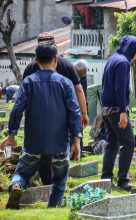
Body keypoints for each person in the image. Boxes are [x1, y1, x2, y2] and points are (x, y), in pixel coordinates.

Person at [1, 43, 81, 209]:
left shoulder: (29, 82)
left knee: (22, 173)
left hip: (33, 144)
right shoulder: (65, 83)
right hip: (59, 144)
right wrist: (76, 140)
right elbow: (74, 112)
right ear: (55, 60)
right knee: (59, 180)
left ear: (36, 60)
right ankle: (53, 210)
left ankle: (17, 186)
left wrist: (11, 135)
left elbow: (17, 109)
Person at [23, 32, 89, 185]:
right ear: (55, 47)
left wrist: (28, 118)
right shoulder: (66, 65)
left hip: (38, 120)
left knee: (41, 153)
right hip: (61, 120)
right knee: (60, 152)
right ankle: (57, 186)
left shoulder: (31, 67)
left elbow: (23, 98)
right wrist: (84, 114)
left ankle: (48, 184)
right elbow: (79, 89)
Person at [100, 35, 136, 191]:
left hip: (105, 109)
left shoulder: (113, 58)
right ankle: (123, 180)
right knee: (129, 142)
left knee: (112, 143)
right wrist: (122, 112)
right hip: (115, 109)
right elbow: (121, 89)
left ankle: (106, 178)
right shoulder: (123, 62)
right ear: (133, 49)